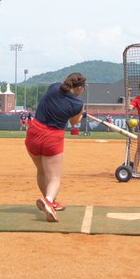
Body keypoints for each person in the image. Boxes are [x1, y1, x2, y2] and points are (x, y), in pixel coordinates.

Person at [25, 72, 87, 223]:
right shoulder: (78, 105)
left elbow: (57, 100)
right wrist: (82, 114)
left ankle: (50, 201)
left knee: (41, 171)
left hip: (34, 132)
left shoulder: (53, 87)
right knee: (54, 178)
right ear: (79, 88)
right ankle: (48, 200)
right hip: (52, 137)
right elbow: (73, 123)